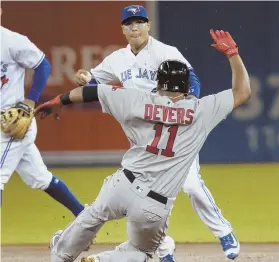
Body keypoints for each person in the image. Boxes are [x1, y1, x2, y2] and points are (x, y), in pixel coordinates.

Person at [35, 28, 250, 262]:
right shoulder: (202, 111)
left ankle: (61, 253)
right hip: (153, 205)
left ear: (158, 84)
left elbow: (91, 92)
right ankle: (100, 260)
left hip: (122, 186)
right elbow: (242, 92)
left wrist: (58, 101)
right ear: (188, 87)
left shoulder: (136, 99)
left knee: (92, 216)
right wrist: (233, 54)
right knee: (141, 252)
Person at [0, 11, 84, 217]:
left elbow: (42, 65)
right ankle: (85, 217)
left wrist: (30, 101)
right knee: (40, 178)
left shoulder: (11, 41)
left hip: (10, 124)